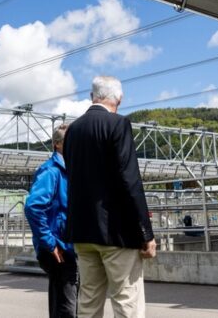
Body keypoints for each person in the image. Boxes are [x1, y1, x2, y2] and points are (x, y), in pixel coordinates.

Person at [63, 75, 156, 318]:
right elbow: (130, 181)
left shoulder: (72, 131)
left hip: (82, 231)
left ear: (92, 96)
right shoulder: (118, 124)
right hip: (117, 233)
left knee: (88, 302)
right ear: (119, 98)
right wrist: (146, 232)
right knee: (126, 301)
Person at [24, 123, 79, 318]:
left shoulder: (67, 170)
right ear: (57, 144)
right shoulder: (51, 171)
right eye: (70, 141)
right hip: (58, 246)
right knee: (67, 306)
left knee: (63, 301)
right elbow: (33, 206)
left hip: (66, 244)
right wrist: (49, 242)